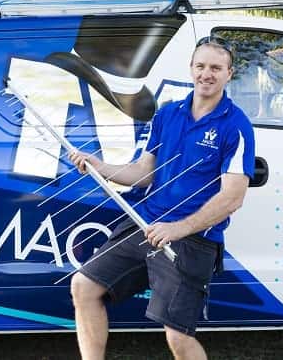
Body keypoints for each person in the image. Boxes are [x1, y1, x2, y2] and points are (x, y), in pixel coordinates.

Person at [69, 36, 255, 360]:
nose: (206, 74)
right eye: (201, 66)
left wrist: (178, 229)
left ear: (229, 73)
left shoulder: (236, 126)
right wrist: (101, 167)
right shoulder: (168, 114)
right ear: (191, 69)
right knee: (84, 287)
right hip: (146, 222)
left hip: (192, 239)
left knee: (178, 338)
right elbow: (144, 172)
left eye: (215, 68)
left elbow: (232, 197)